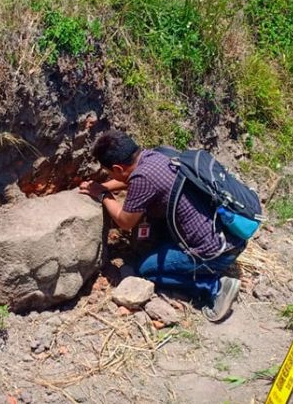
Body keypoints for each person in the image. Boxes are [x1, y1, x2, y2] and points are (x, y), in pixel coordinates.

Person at [79, 130, 245, 322]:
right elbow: (130, 180)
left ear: (117, 167)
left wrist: (102, 196)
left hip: (215, 253)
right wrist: (104, 187)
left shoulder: (142, 178)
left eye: (110, 173)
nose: (110, 177)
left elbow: (125, 222)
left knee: (145, 269)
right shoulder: (159, 155)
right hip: (230, 237)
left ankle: (214, 287)